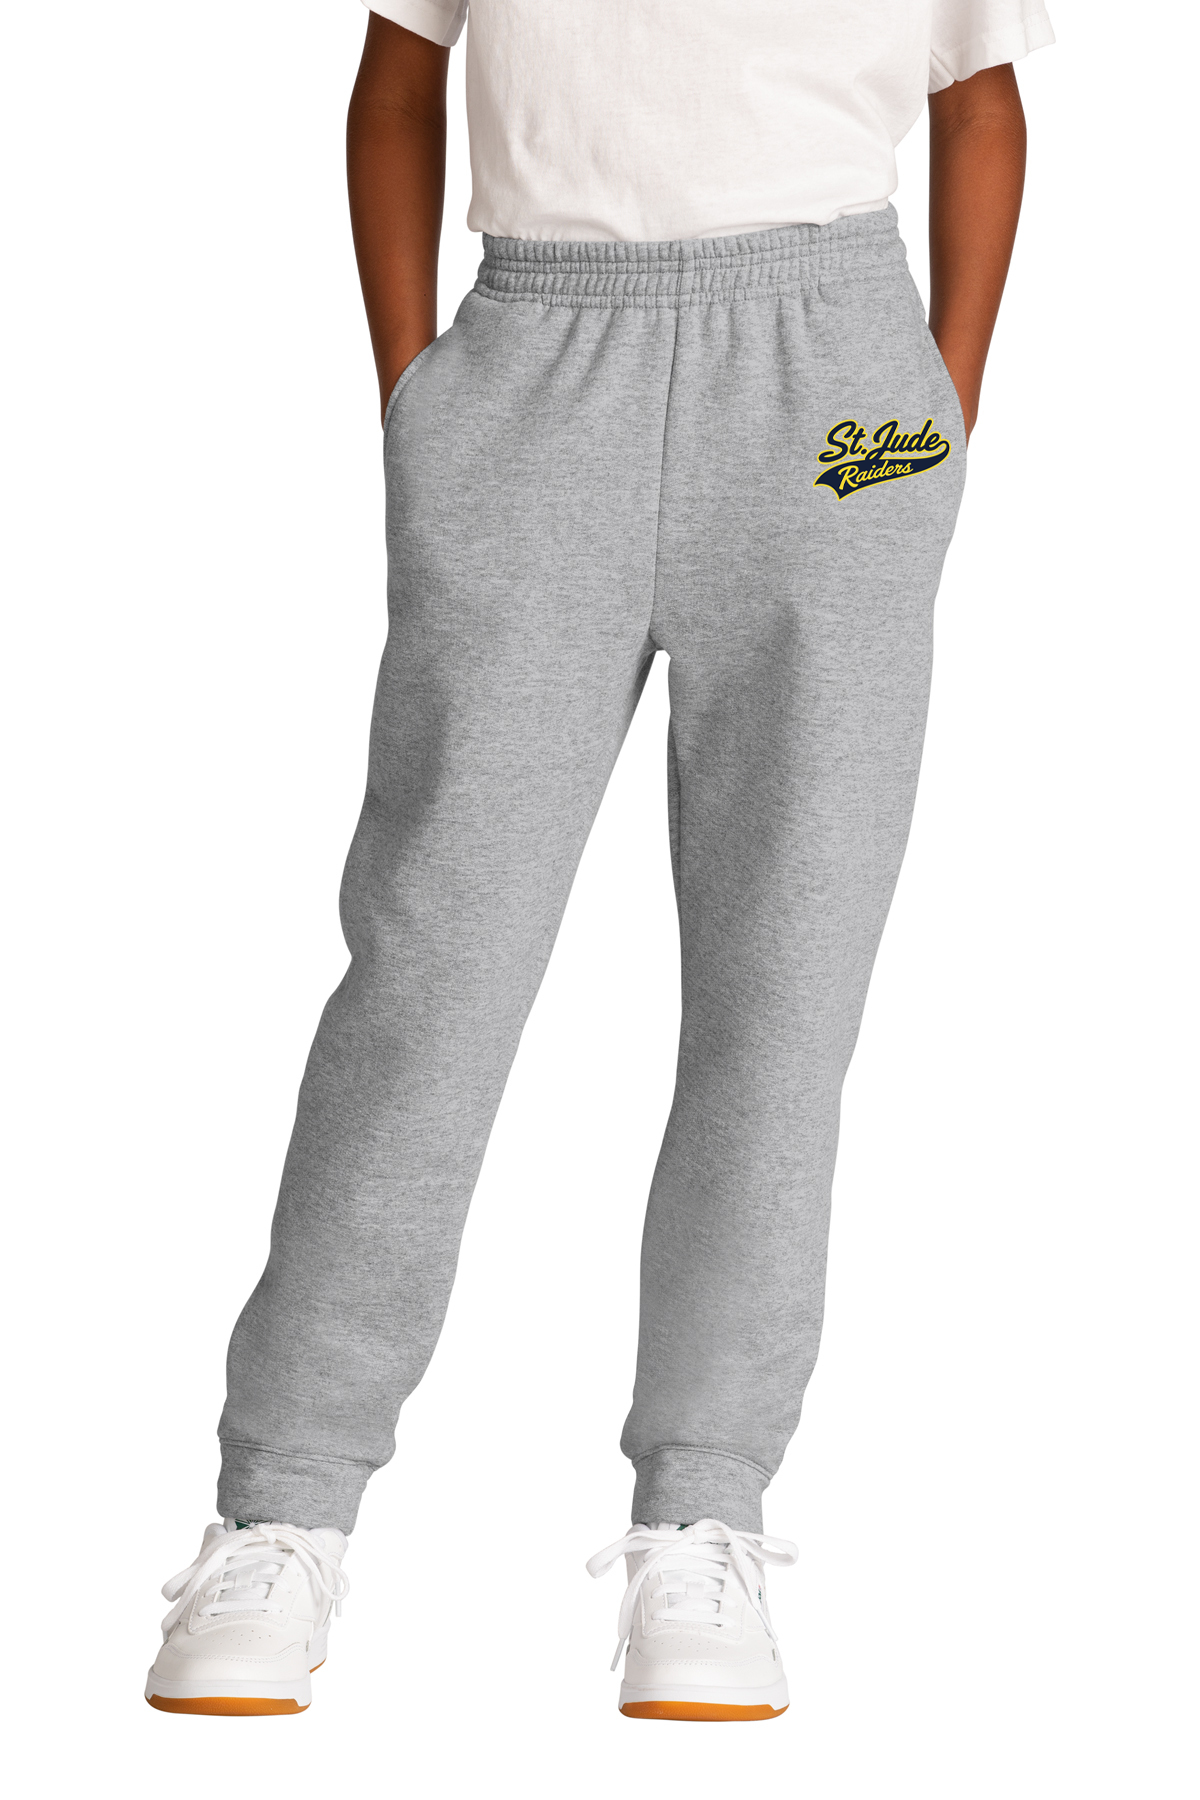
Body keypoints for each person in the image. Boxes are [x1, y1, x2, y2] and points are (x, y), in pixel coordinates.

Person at [145, 0, 1053, 1722]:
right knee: (434, 965)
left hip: (836, 401)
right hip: (533, 364)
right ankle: (284, 1503)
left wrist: (944, 404)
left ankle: (705, 1511)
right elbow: (398, 77)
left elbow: (982, 97)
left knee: (785, 986)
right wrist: (414, 390)